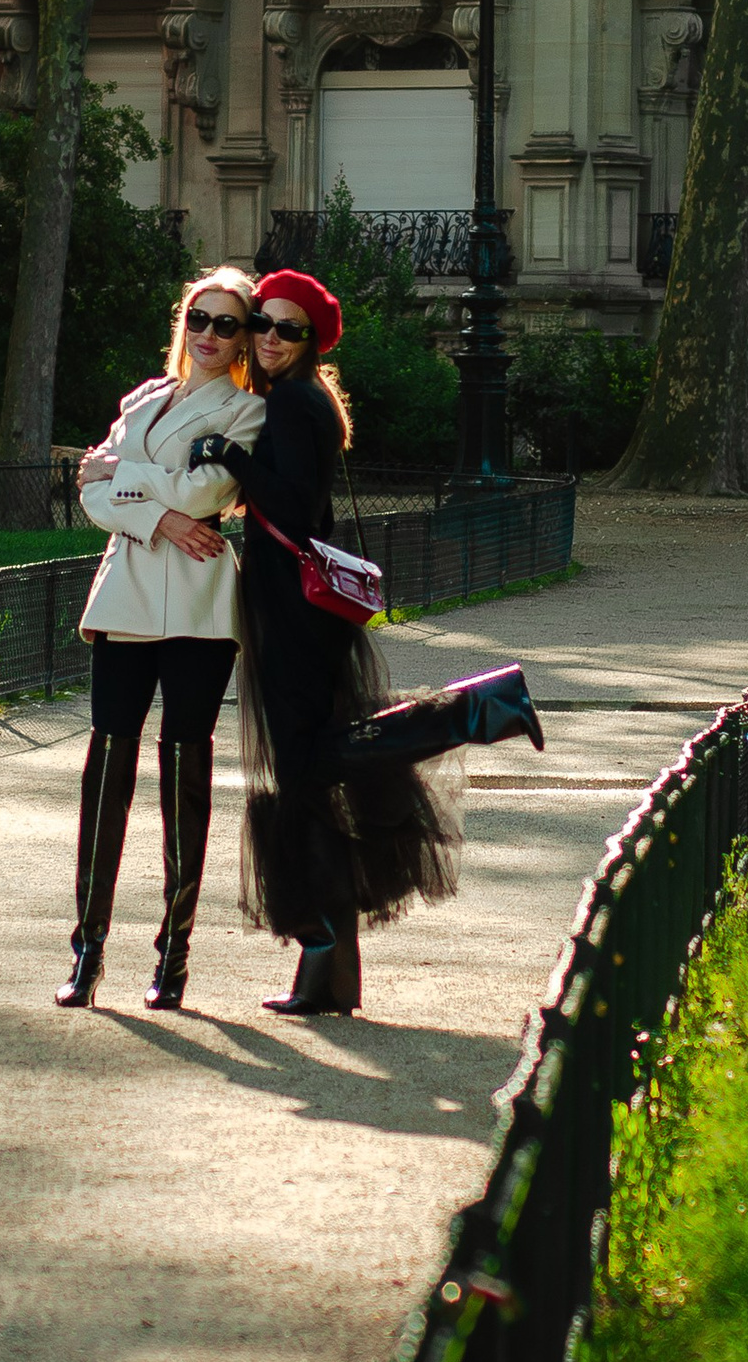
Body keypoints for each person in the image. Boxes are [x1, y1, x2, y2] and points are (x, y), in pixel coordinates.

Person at [188, 267, 543, 1018]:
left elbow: (294, 503)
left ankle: (475, 711)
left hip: (292, 607)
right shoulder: (297, 400)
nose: (270, 340)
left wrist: (232, 457)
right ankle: (330, 971)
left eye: (288, 330)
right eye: (263, 326)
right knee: (311, 779)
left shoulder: (291, 402)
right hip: (295, 603)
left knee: (308, 763)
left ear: (310, 341)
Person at [59, 265, 267, 1012]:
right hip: (128, 595)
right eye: (199, 319)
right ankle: (87, 950)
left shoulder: (245, 413)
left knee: (184, 777)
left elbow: (205, 493)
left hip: (200, 608)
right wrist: (156, 514)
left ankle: (173, 955)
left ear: (245, 339)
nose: (209, 335)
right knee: (104, 769)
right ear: (183, 323)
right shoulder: (144, 399)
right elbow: (89, 488)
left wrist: (132, 480)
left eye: (226, 324)